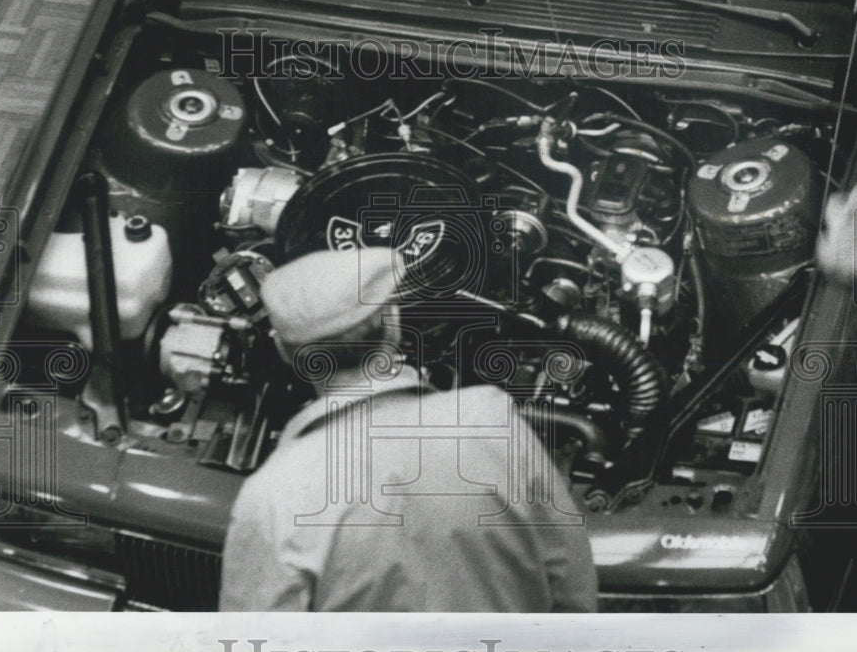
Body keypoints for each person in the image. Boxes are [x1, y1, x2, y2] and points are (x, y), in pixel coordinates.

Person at [219, 247, 597, 612]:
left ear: (286, 353)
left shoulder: (271, 495)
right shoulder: (494, 421)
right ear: (395, 325)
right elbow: (574, 592)